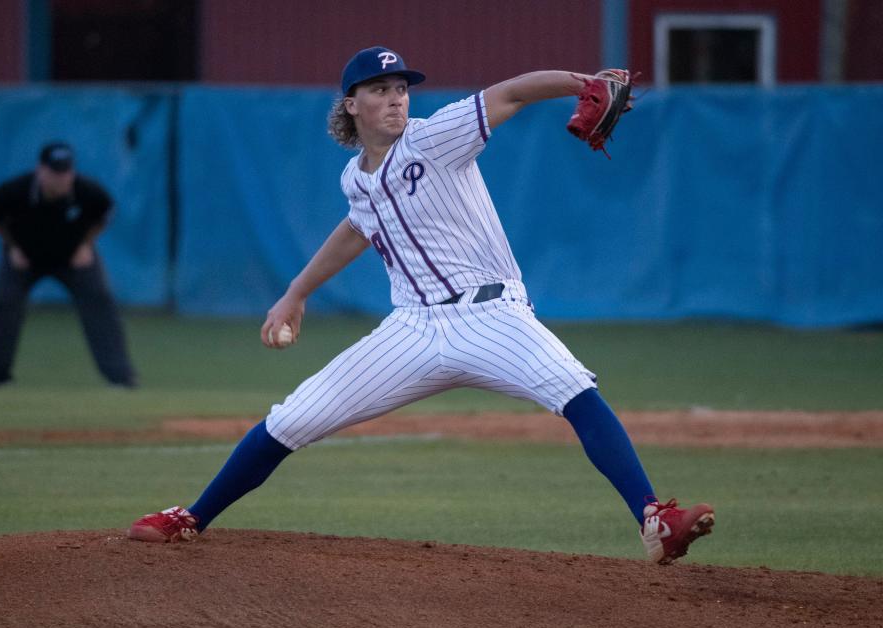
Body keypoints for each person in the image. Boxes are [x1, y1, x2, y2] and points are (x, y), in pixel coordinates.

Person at [129, 47, 714, 563]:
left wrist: (581, 81)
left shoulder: (434, 137)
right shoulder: (355, 178)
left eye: (401, 89)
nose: (395, 99)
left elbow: (510, 93)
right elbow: (357, 231)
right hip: (411, 329)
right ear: (352, 104)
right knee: (293, 418)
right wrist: (296, 292)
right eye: (380, 90)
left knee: (574, 389)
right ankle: (193, 519)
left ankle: (654, 520)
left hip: (491, 315)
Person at [0, 142, 137, 387]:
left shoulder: (87, 191)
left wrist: (86, 244)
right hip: (25, 258)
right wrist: (12, 247)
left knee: (100, 300)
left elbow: (104, 213)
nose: (62, 178)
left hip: (72, 258)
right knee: (5, 305)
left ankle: (121, 378)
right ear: (40, 171)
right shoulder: (15, 191)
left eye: (66, 171)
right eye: (56, 171)